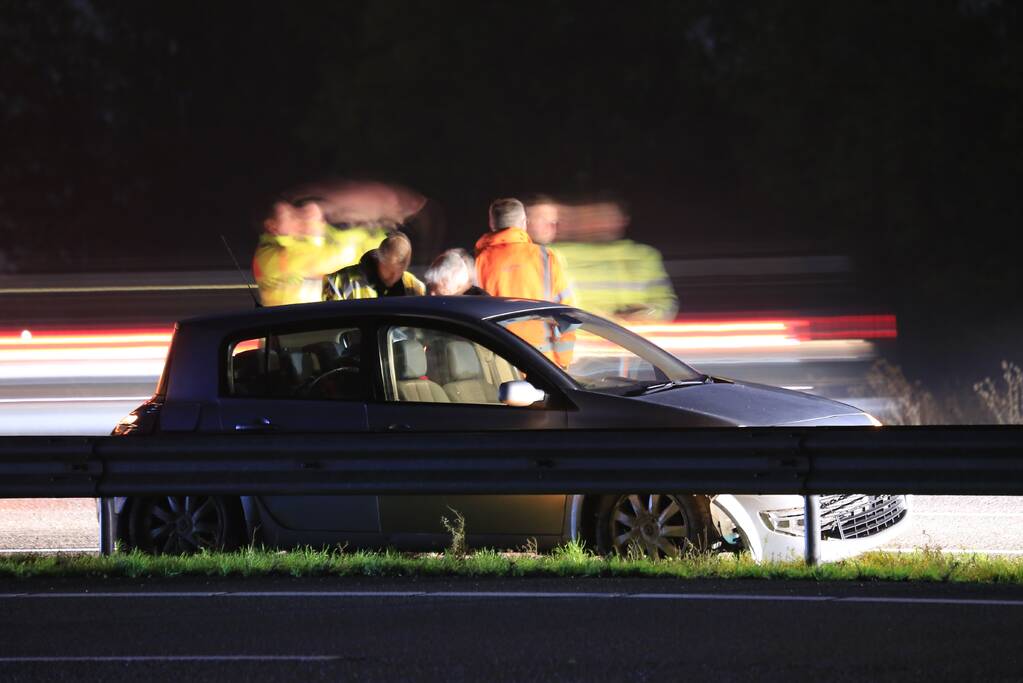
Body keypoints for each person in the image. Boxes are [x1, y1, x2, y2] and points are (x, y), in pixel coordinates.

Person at [526, 198, 678, 321]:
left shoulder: (643, 256)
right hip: (579, 345)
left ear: (623, 219)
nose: (602, 222)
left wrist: (643, 316)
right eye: (596, 216)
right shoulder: (553, 255)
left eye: (609, 216)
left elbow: (666, 304)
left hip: (636, 345)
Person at [475, 198, 574, 366]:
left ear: (492, 223)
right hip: (542, 363)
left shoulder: (476, 261)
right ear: (523, 223)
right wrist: (562, 362)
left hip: (494, 365)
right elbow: (567, 314)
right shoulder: (546, 258)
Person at [252, 200, 369, 307]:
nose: (298, 219)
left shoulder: (297, 245)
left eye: (295, 214)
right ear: (272, 226)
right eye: (289, 216)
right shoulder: (269, 256)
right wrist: (315, 230)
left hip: (310, 317)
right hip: (291, 323)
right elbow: (334, 259)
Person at [323, 231, 425, 300]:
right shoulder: (339, 282)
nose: (392, 277)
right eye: (389, 270)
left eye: (399, 272)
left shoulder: (414, 288)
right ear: (378, 259)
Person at [423, 248, 488, 296]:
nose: (432, 294)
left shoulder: (481, 308)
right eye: (430, 286)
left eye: (439, 295)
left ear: (460, 289)